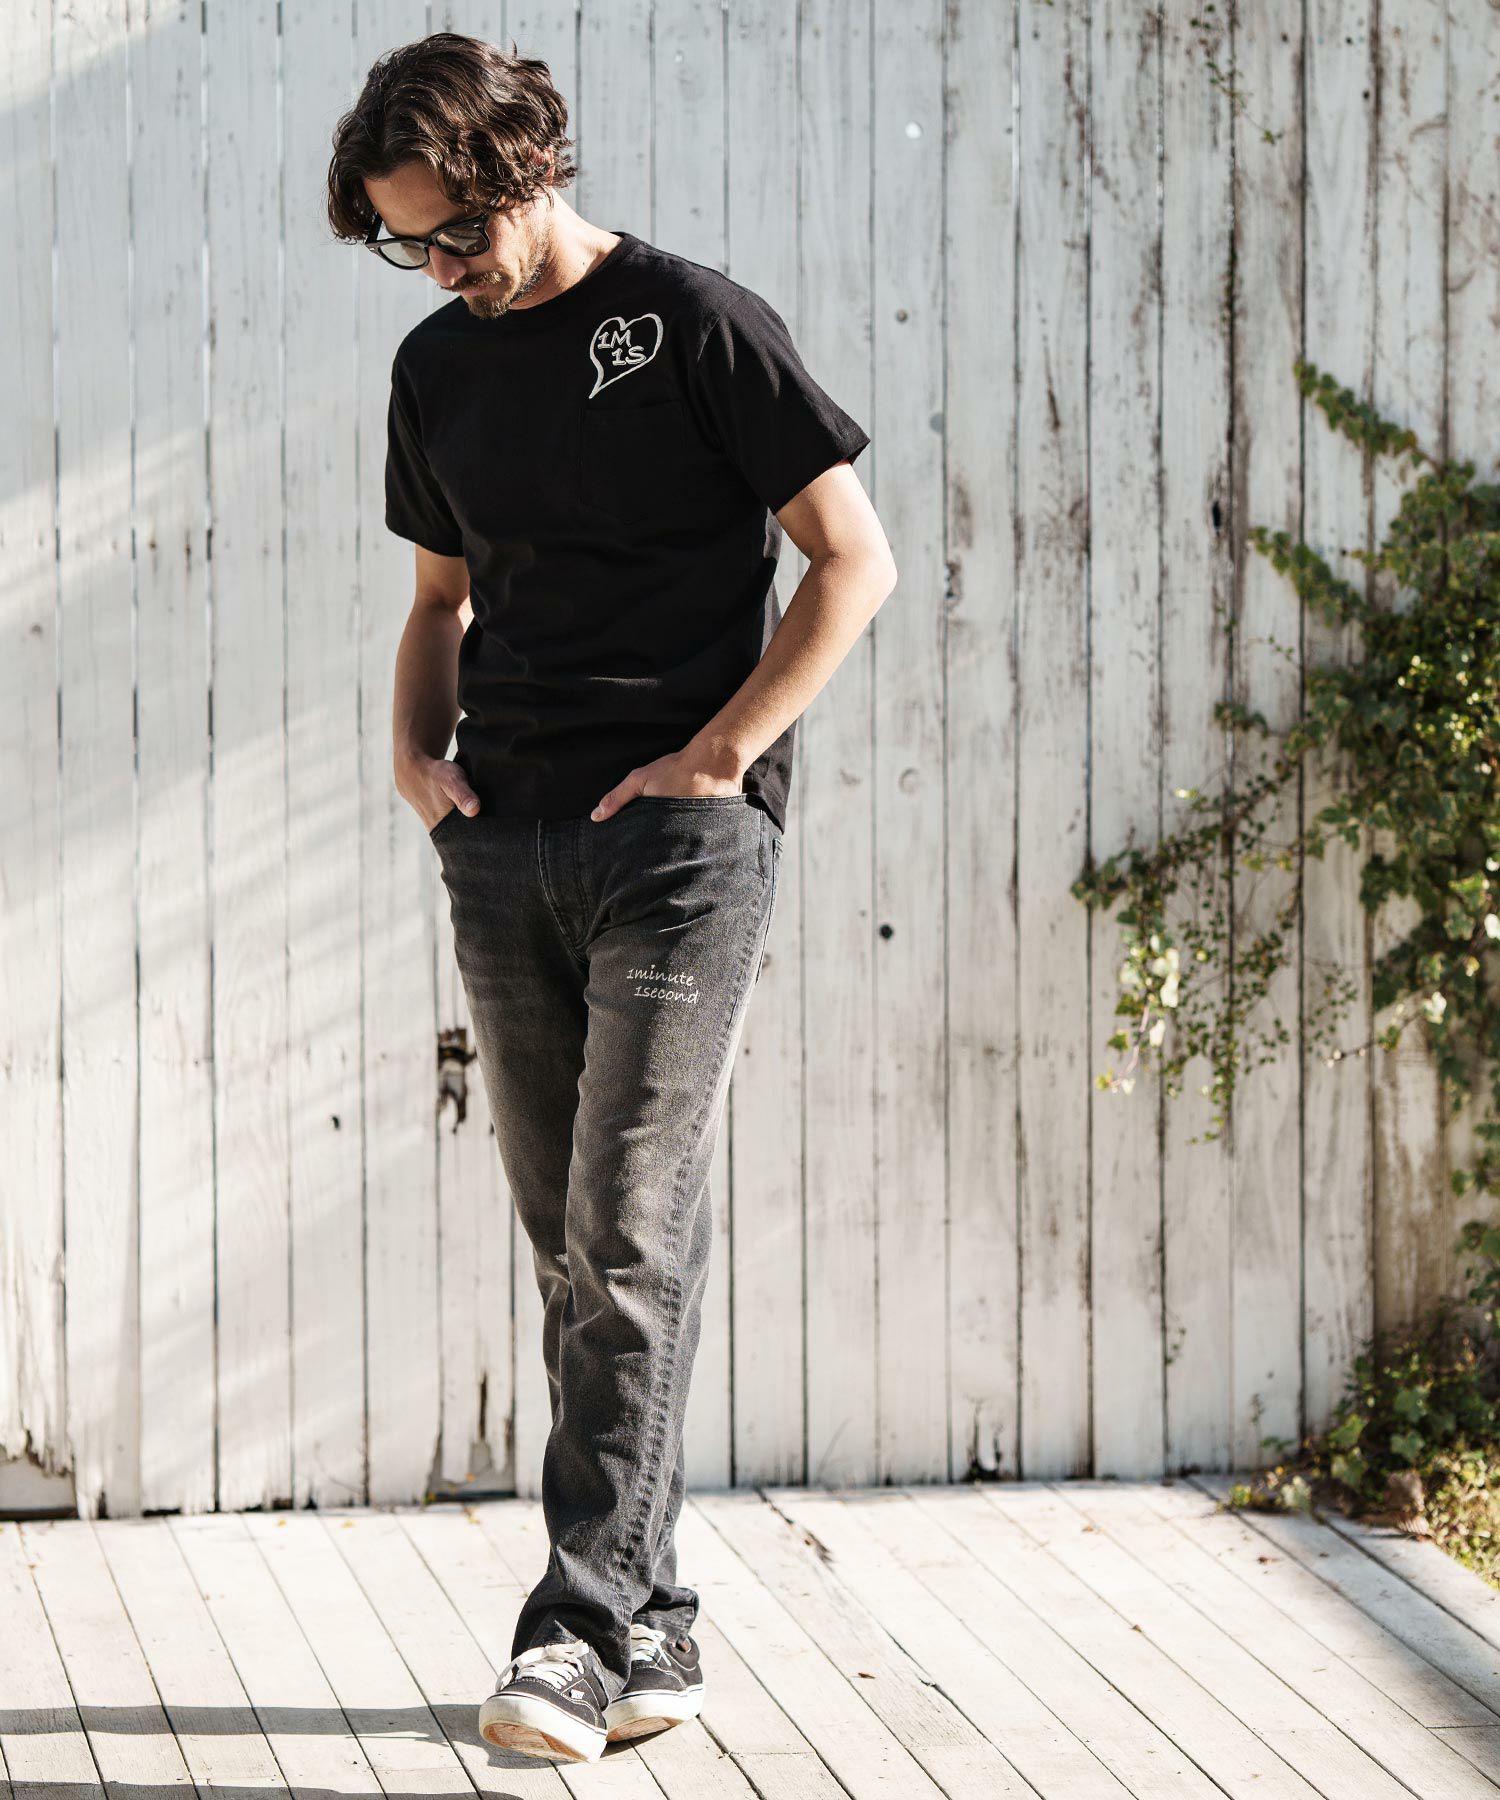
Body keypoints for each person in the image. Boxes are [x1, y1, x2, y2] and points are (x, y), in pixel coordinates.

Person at [325, 31, 897, 1766]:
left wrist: (724, 753)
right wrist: (416, 760)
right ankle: (658, 1614)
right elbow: (440, 600)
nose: (442, 268)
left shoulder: (696, 324)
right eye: (406, 246)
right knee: (576, 1245)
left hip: (680, 848)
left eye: (457, 230)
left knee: (628, 1223)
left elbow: (852, 558)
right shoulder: (437, 367)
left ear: (527, 166)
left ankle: (569, 1636)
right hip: (506, 840)